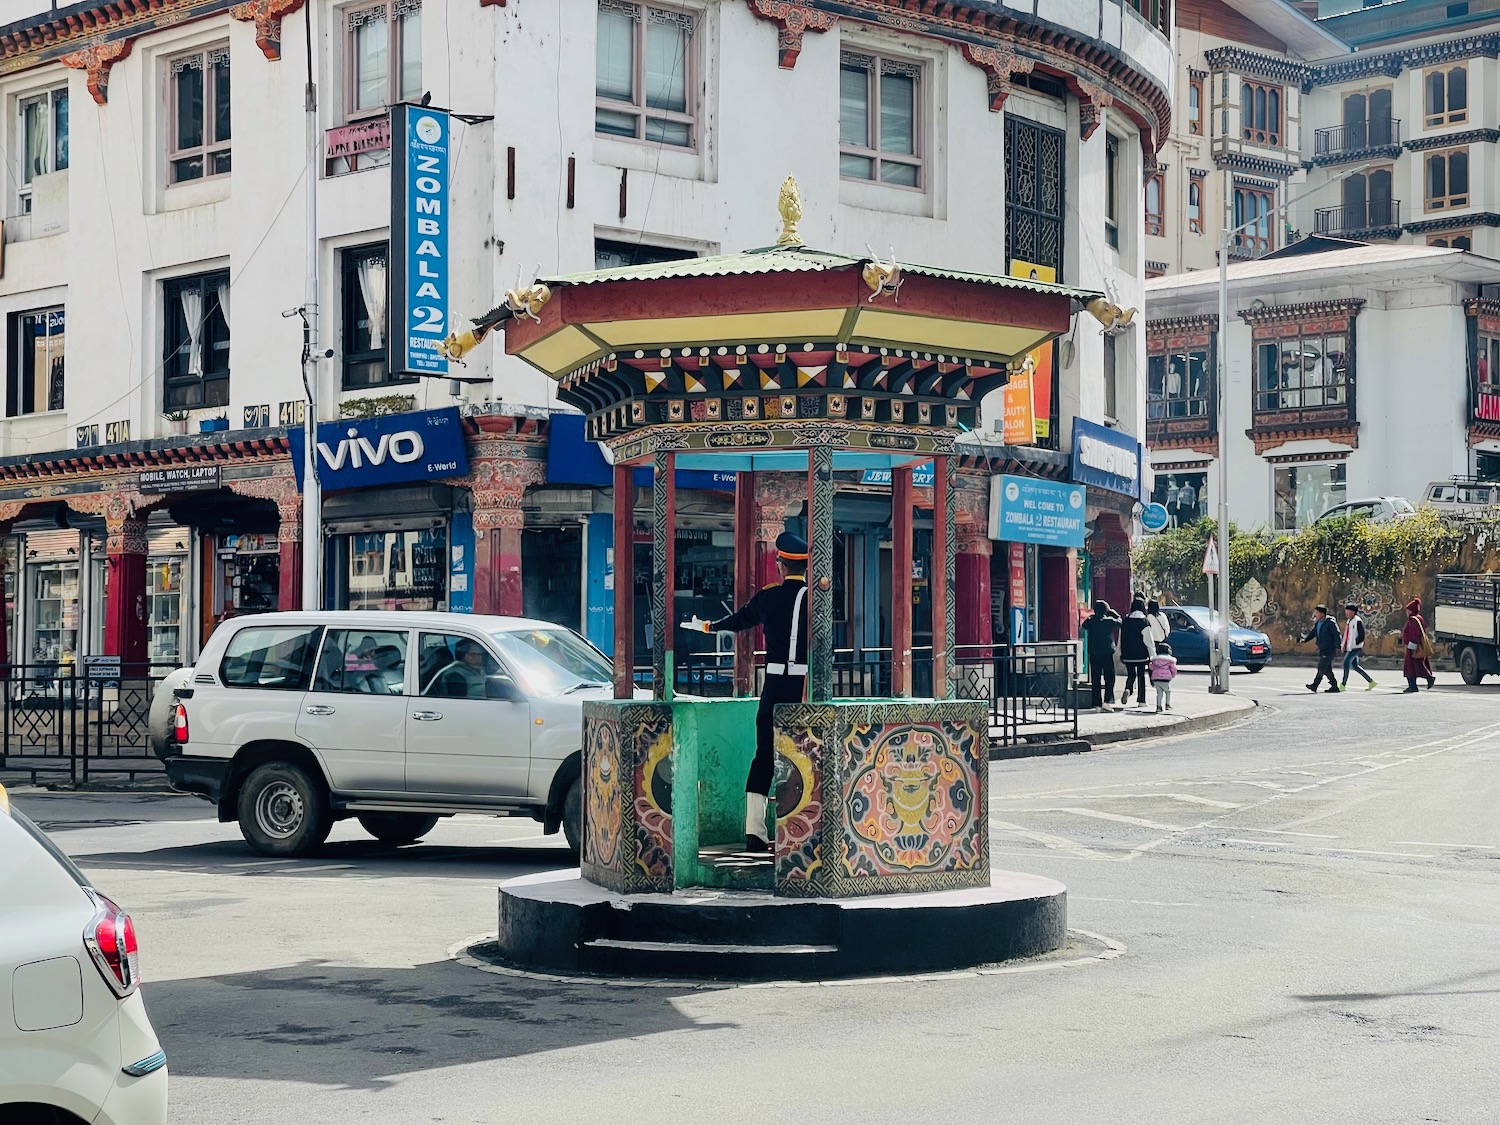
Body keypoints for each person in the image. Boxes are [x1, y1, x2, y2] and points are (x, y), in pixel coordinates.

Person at [683, 531, 809, 853]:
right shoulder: (815, 600)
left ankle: (755, 833)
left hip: (775, 687)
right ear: (805, 567)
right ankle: (801, 835)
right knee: (805, 757)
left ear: (780, 566)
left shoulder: (770, 597)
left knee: (765, 756)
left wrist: (708, 627)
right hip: (806, 689)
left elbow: (739, 621)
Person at [1080, 600, 1121, 710]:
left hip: (1094, 652)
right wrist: (1113, 613)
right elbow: (1120, 621)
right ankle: (1107, 701)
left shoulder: (1091, 621)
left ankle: (1096, 703)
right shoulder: (1109, 621)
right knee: (1109, 677)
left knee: (1095, 678)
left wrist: (1092, 616)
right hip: (1107, 652)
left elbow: (1084, 625)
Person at [1119, 598, 1153, 708]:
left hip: (1127, 654)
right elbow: (1148, 641)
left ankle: (1128, 689)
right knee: (1141, 676)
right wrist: (1152, 655)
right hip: (1141, 655)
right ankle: (1141, 700)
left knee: (1131, 675)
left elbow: (1121, 638)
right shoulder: (1144, 622)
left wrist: (1120, 652)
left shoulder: (1125, 621)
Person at [1302, 604, 1342, 693]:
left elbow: (1336, 635)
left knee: (1321, 666)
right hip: (1322, 648)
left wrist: (1338, 646)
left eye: (1317, 612)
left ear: (1322, 613)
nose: (1315, 614)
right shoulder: (1318, 623)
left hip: (1330, 649)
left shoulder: (1330, 623)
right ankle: (1334, 686)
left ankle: (1315, 685)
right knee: (1327, 669)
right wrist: (1305, 640)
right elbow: (1313, 633)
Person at [1401, 597, 1435, 693]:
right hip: (1418, 645)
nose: (1406, 612)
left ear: (1411, 610)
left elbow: (1415, 633)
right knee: (1418, 665)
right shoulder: (1419, 618)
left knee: (1410, 666)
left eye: (1408, 610)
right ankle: (1422, 681)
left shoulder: (1412, 619)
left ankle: (1415, 685)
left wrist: (1412, 646)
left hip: (1413, 646)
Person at [1341, 602, 1375, 691]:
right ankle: (1371, 682)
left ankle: (1343, 685)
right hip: (1350, 647)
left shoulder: (1357, 621)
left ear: (1353, 612)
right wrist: (1344, 645)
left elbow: (1361, 635)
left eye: (1348, 611)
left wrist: (1356, 644)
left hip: (1355, 648)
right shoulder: (1349, 621)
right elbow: (1347, 635)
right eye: (1346, 611)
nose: (1347, 613)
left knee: (1345, 663)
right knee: (1355, 666)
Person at [1149, 641, 1178, 713]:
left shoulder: (1155, 660)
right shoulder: (1170, 660)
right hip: (1165, 679)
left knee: (1159, 693)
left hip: (1156, 678)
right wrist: (1172, 675)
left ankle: (1158, 707)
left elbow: (1151, 667)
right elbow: (1174, 669)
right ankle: (1167, 704)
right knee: (1168, 691)